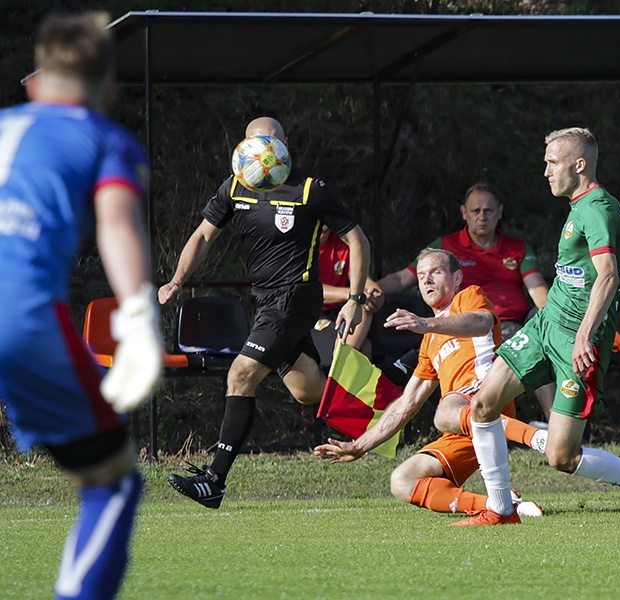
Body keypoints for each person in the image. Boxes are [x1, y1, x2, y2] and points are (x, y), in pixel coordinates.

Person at [452, 127, 620, 526]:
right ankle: (500, 509)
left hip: (580, 339)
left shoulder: (598, 208)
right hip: (547, 325)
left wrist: (584, 335)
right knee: (482, 404)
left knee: (562, 458)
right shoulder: (579, 206)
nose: (546, 171)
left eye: (552, 162)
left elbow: (608, 276)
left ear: (579, 164)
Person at [0, 12, 163, 598]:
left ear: (34, 85)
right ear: (109, 92)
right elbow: (116, 223)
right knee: (111, 484)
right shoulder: (102, 138)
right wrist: (140, 315)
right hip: (16, 316)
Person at [160, 116, 371, 509]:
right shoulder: (236, 184)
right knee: (306, 390)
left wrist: (355, 298)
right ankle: (385, 396)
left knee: (242, 373)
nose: (264, 152)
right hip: (265, 300)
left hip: (296, 297)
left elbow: (356, 239)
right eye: (257, 143)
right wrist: (176, 279)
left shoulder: (310, 188)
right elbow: (204, 235)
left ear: (285, 144)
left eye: (272, 142)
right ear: (244, 146)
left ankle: (214, 480)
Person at [314, 249, 546, 518]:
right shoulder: (430, 342)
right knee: (402, 481)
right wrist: (359, 446)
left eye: (435, 272)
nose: (426, 281)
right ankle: (502, 506)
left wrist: (426, 323)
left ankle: (537, 438)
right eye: (422, 275)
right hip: (461, 427)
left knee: (444, 412)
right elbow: (406, 404)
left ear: (457, 277)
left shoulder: (467, 297)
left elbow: (482, 323)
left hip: (488, 401)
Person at [373, 183, 555, 422]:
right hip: (458, 327)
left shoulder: (517, 248)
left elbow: (537, 287)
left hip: (510, 326)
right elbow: (402, 278)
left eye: (488, 211)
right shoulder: (445, 248)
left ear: (500, 212)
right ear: (463, 213)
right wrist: (368, 291)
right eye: (475, 210)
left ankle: (555, 424)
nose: (482, 216)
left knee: (540, 331)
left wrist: (554, 318)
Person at [316, 224, 382, 356]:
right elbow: (309, 291)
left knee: (363, 305)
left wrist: (375, 293)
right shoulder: (300, 244)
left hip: (338, 313)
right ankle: (342, 363)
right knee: (364, 348)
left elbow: (361, 278)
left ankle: (341, 364)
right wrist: (353, 295)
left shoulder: (345, 242)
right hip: (311, 314)